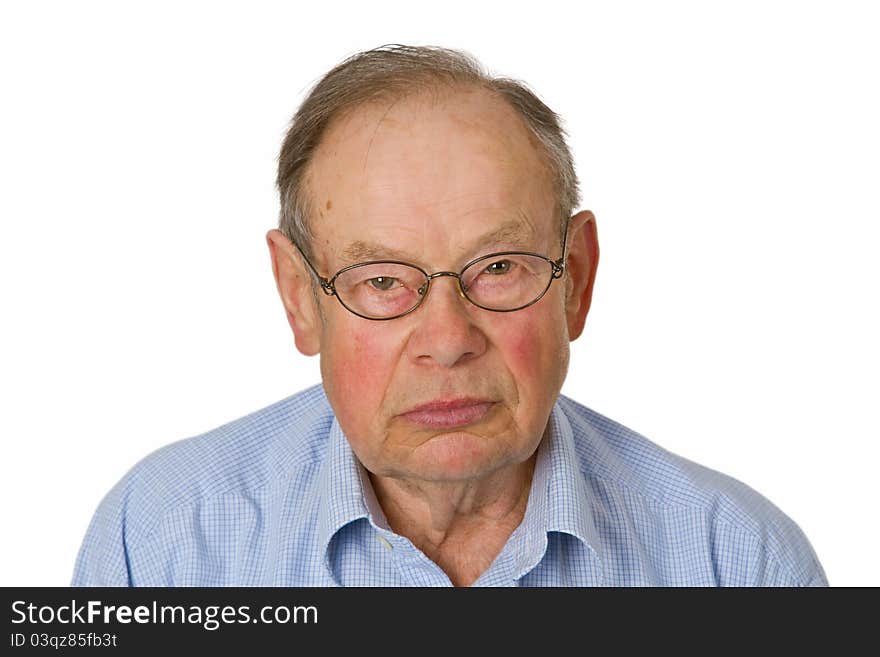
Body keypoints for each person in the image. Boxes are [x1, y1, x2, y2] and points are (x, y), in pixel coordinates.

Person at [72, 44, 827, 587]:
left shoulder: (742, 563)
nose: (446, 341)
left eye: (498, 268)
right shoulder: (162, 540)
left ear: (578, 280)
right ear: (300, 297)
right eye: (382, 281)